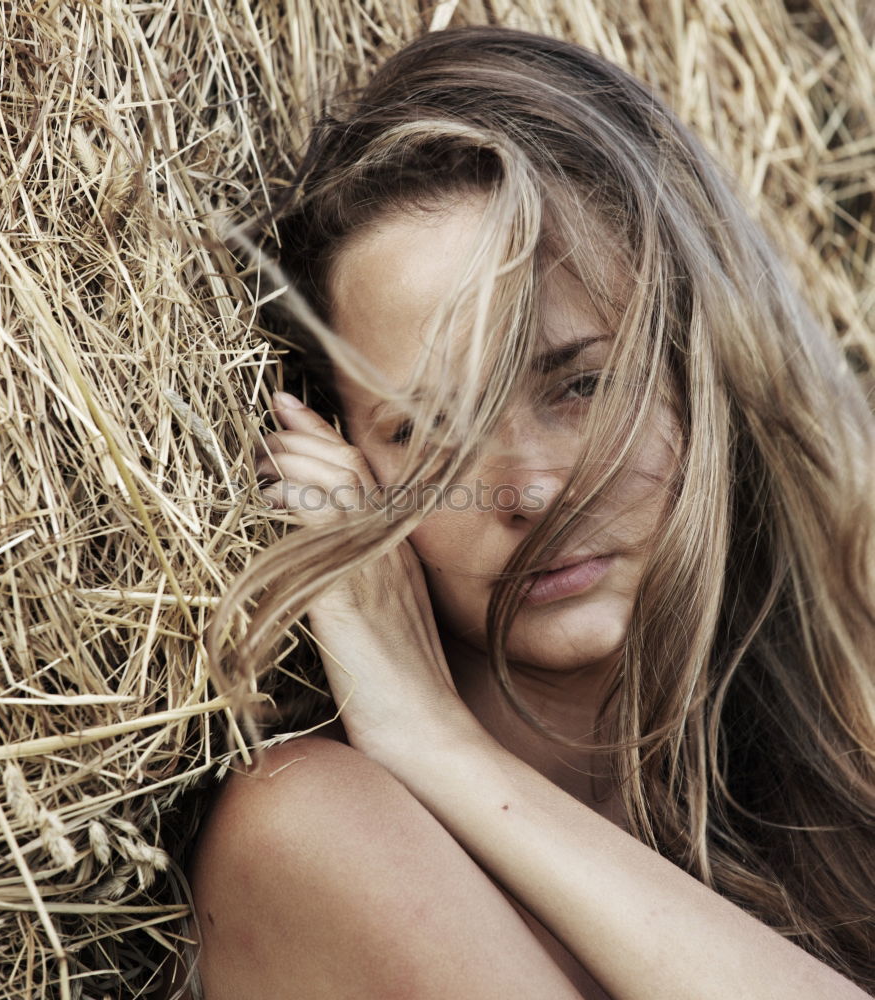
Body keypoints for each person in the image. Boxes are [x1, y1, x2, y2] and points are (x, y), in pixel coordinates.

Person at [184, 26, 875, 1000]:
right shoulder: (308, 827)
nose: (530, 491)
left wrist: (444, 745)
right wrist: (429, 745)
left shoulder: (835, 760)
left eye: (579, 384)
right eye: (427, 432)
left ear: (699, 368)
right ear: (343, 463)